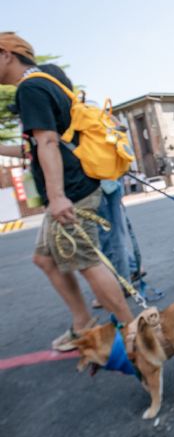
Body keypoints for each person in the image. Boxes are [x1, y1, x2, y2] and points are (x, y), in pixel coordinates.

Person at [0, 32, 132, 351]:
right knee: (44, 259)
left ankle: (133, 332)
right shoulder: (51, 78)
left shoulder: (30, 89)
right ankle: (82, 322)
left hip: (70, 191)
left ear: (6, 55)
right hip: (74, 185)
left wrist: (57, 197)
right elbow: (40, 143)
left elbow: (47, 142)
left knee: (86, 261)